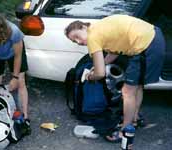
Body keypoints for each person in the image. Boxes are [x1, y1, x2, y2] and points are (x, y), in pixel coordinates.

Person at [65, 14, 165, 142]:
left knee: (127, 91)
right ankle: (134, 119)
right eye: (74, 41)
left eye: (77, 37)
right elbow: (114, 51)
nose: (78, 42)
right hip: (154, 36)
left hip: (145, 44)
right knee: (137, 86)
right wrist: (101, 65)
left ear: (84, 27)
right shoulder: (99, 28)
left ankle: (125, 130)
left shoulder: (92, 37)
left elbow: (100, 74)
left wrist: (90, 76)